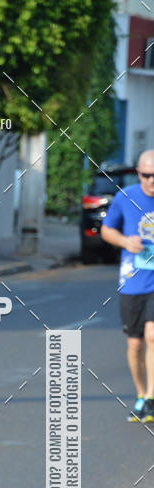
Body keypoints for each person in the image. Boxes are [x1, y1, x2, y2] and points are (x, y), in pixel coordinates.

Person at [101, 149, 154, 423]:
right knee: (134, 345)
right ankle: (142, 395)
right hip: (133, 280)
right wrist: (125, 242)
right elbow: (107, 229)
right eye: (147, 175)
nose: (152, 181)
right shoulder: (126, 197)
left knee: (152, 336)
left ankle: (153, 398)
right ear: (138, 173)